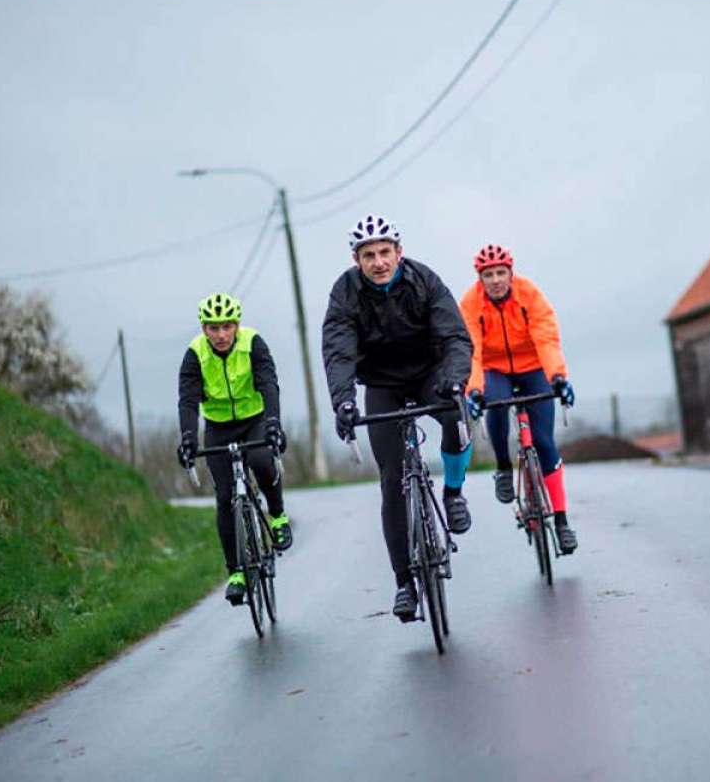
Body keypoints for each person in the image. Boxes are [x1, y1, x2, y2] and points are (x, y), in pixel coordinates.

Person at [321, 215, 474, 622]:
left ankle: (454, 493)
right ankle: (404, 583)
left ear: (398, 252)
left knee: (456, 423)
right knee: (392, 482)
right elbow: (338, 350)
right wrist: (343, 402)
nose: (378, 262)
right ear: (357, 260)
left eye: (385, 252)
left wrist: (454, 381)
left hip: (430, 375)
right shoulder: (346, 293)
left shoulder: (424, 280)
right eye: (369, 255)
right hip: (382, 384)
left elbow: (455, 336)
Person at [459, 244, 577, 554]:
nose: (496, 280)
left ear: (511, 273)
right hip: (494, 369)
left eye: (501, 273)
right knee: (495, 408)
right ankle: (503, 467)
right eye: (488, 275)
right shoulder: (471, 304)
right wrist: (474, 390)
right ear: (480, 279)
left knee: (544, 441)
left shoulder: (529, 294)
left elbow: (546, 336)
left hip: (533, 366)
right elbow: (471, 351)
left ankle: (562, 522)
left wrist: (558, 377)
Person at [176, 292, 292, 606]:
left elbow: (268, 383)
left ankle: (278, 516)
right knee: (225, 496)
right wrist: (188, 437)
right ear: (204, 328)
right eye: (213, 328)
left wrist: (273, 422)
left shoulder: (253, 342)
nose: (221, 334)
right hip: (217, 426)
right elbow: (188, 400)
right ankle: (236, 572)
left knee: (261, 460)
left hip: (254, 419)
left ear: (236, 324)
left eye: (227, 326)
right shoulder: (194, 354)